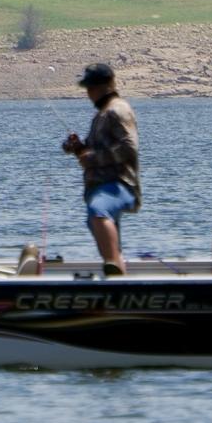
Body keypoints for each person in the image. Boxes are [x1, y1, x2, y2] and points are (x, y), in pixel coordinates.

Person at [60, 62, 140, 275]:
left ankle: (113, 263)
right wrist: (78, 148)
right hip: (101, 186)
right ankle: (119, 281)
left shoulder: (118, 110)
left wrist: (93, 158)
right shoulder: (101, 114)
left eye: (92, 87)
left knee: (98, 212)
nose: (88, 93)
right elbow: (93, 151)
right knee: (100, 227)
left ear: (106, 86)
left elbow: (129, 148)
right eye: (87, 88)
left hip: (119, 185)